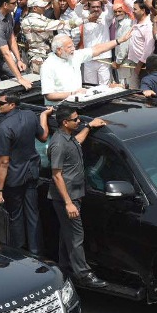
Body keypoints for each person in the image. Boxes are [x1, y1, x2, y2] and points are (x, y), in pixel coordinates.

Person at [47, 105, 108, 288]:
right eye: (76, 120)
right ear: (65, 122)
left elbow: (77, 142)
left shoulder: (69, 138)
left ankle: (64, 269)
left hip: (75, 195)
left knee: (67, 235)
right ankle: (84, 274)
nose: (79, 121)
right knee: (75, 235)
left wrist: (90, 126)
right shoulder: (58, 143)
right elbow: (56, 175)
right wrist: (68, 203)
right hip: (68, 198)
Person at [0, 93, 52, 255]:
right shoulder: (29, 115)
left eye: (0, 103)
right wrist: (43, 116)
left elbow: (4, 162)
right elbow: (44, 136)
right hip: (31, 173)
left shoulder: (4, 127)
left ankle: (19, 251)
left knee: (16, 215)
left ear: (12, 105)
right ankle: (36, 251)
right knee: (33, 214)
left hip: (14, 178)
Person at [41, 32, 132, 104]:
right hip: (59, 108)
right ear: (59, 50)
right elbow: (49, 95)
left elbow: (97, 49)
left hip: (78, 102)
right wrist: (73, 94)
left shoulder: (74, 55)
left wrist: (119, 40)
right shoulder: (48, 66)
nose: (73, 49)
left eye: (73, 45)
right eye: (69, 47)